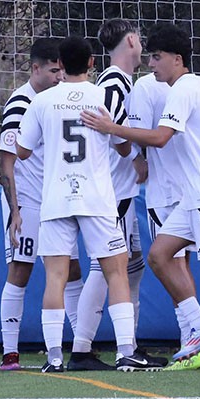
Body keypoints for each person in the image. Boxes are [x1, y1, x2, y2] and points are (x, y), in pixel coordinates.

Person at [81, 23, 200, 371]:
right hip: (195, 196)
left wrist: (111, 128)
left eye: (157, 57)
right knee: (160, 255)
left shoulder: (184, 89)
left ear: (177, 59)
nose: (151, 63)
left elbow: (160, 138)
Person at [16, 36, 163, 372]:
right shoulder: (104, 97)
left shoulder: (42, 101)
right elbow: (124, 148)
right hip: (96, 197)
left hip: (56, 198)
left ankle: (54, 357)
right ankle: (126, 350)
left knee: (55, 276)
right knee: (116, 272)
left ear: (60, 66)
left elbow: (22, 151)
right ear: (93, 64)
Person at [68, 19, 166, 371]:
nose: (142, 47)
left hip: (120, 187)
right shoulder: (112, 83)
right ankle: (83, 348)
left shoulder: (121, 82)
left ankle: (130, 344)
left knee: (132, 264)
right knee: (106, 264)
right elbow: (110, 135)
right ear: (130, 40)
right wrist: (134, 154)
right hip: (112, 189)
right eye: (139, 40)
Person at [0, 38, 84, 371]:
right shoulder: (20, 102)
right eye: (53, 70)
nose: (59, 76)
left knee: (72, 269)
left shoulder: (59, 99)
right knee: (21, 269)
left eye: (61, 69)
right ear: (35, 68)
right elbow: (5, 163)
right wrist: (15, 211)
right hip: (28, 202)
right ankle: (10, 352)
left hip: (59, 201)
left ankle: (79, 345)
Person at [130, 71, 200, 371]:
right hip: (193, 187)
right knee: (185, 264)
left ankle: (194, 343)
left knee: (170, 263)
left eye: (156, 55)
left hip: (165, 191)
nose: (151, 61)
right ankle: (199, 340)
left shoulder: (146, 86)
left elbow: (141, 137)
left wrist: (116, 133)